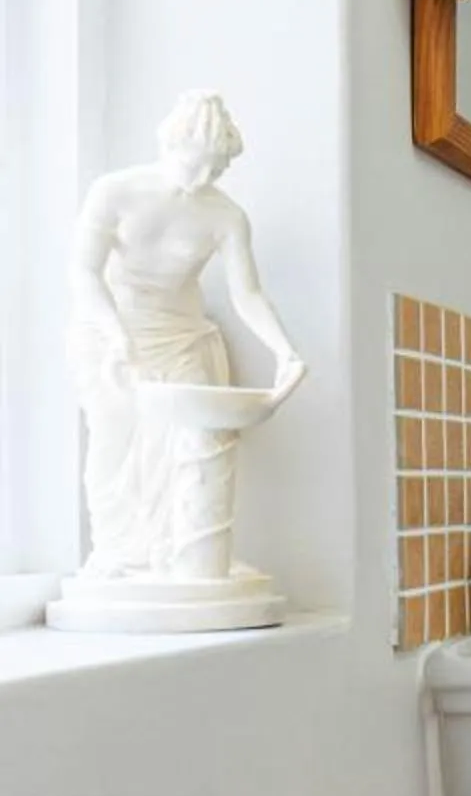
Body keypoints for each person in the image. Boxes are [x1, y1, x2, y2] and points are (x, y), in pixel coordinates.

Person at [69, 92, 306, 580]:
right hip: (109, 331)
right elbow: (83, 272)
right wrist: (116, 335)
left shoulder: (226, 217)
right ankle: (115, 551)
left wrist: (285, 350)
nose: (200, 179)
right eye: (194, 164)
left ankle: (186, 555)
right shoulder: (113, 192)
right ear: (169, 144)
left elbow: (248, 294)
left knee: (192, 443)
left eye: (215, 171)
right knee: (114, 441)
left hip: (181, 335)